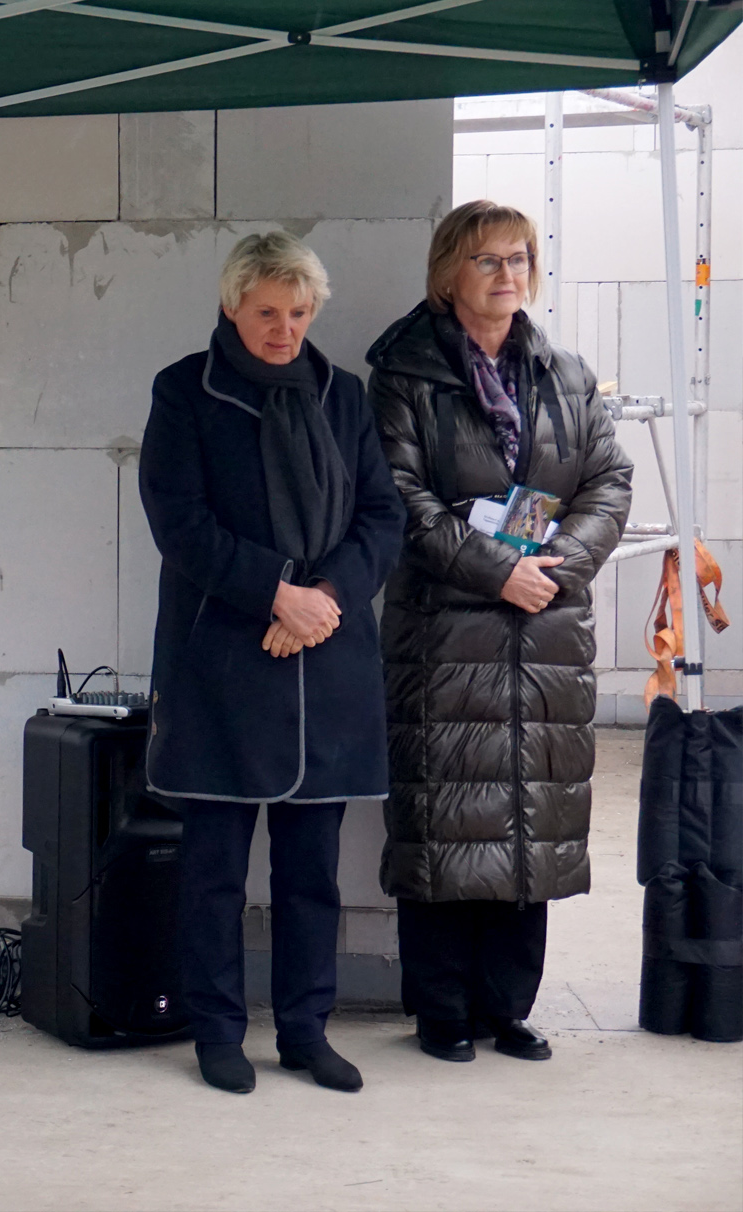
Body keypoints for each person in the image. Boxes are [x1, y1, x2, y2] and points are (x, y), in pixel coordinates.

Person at [140, 232, 405, 1095]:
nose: (283, 329)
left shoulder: (343, 396)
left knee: (310, 874)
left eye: (298, 312)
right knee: (214, 872)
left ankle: (304, 1031)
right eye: (266, 312)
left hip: (326, 658)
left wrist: (321, 597)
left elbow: (381, 517)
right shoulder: (185, 392)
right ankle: (218, 1032)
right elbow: (180, 523)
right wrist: (275, 594)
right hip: (224, 661)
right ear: (232, 307)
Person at [368, 201, 632, 1064]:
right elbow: (400, 496)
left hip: (546, 625)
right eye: (487, 260)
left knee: (530, 818)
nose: (507, 274)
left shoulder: (564, 374)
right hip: (445, 633)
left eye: (519, 258)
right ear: (448, 272)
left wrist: (558, 564)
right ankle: (442, 1009)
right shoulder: (404, 373)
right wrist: (495, 570)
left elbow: (609, 481)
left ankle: (507, 1006)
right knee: (447, 816)